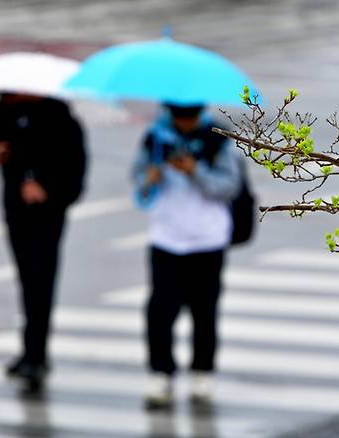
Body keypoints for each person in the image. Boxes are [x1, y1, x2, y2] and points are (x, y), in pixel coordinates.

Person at [132, 103, 241, 409]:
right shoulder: (155, 138)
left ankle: (202, 371)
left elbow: (229, 187)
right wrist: (150, 178)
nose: (184, 122)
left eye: (189, 116)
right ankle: (161, 372)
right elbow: (138, 185)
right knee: (160, 310)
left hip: (208, 239)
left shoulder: (217, 138)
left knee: (204, 310)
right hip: (166, 238)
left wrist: (195, 171)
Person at [0, 93, 87, 389]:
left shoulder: (60, 118)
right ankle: (30, 350)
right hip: (15, 209)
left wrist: (46, 189)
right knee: (27, 279)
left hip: (47, 213)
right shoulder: (2, 111)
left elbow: (76, 174)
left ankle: (36, 355)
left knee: (41, 280)